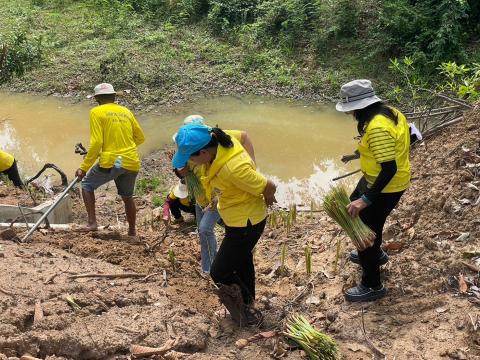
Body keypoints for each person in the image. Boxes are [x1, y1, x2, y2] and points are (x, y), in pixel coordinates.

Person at [172, 123, 276, 325]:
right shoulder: (218, 136)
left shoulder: (233, 169)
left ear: (203, 151)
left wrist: (268, 198)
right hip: (236, 217)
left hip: (246, 223)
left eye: (192, 158)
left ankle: (245, 312)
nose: (191, 163)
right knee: (243, 261)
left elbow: (269, 186)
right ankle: (248, 301)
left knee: (219, 272)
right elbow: (244, 135)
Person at [336, 79, 411, 302]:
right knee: (355, 207)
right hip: (381, 178)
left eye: (351, 110)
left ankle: (372, 285)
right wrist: (357, 154)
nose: (350, 115)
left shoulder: (377, 126)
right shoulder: (390, 112)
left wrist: (366, 199)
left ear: (359, 107)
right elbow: (394, 144)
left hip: (387, 184)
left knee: (365, 230)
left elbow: (389, 168)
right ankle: (375, 255)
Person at [174, 115, 256, 274]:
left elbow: (244, 136)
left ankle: (211, 269)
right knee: (205, 231)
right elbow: (179, 168)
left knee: (205, 229)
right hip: (200, 197)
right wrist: (181, 171)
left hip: (217, 196)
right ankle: (217, 262)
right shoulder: (187, 145)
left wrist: (252, 164)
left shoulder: (217, 139)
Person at [75, 83, 145, 236]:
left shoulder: (96, 112)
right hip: (132, 161)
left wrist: (84, 167)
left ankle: (92, 223)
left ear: (97, 99)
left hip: (111, 162)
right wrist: (124, 149)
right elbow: (140, 137)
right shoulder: (126, 111)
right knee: (127, 197)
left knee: (87, 184)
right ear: (114, 97)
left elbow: (97, 142)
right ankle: (132, 231)